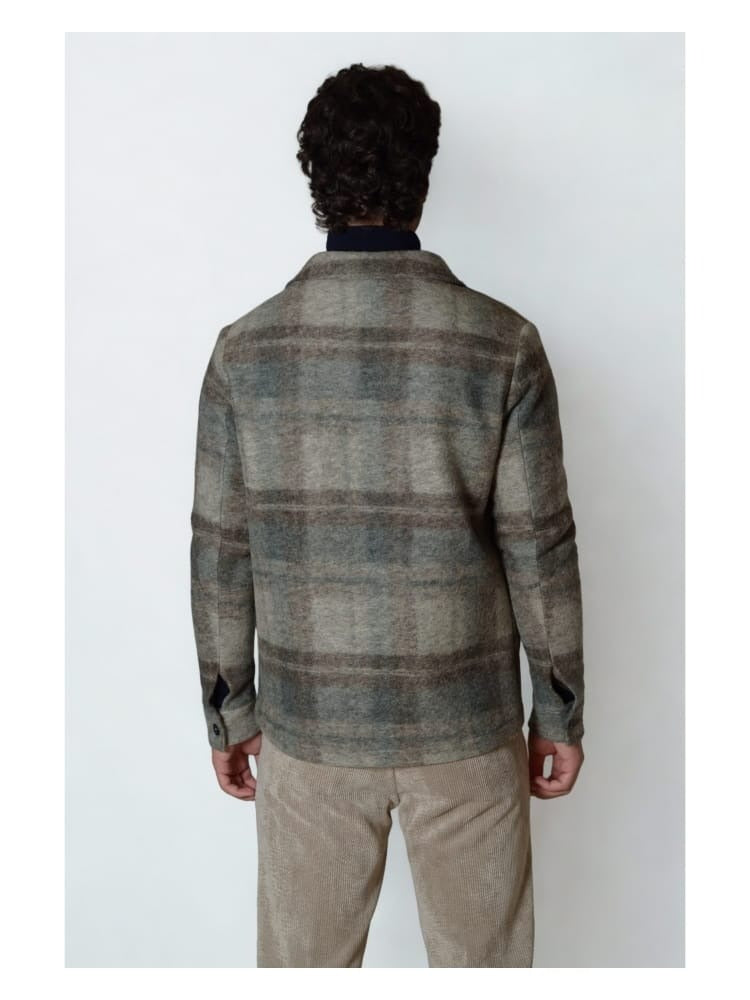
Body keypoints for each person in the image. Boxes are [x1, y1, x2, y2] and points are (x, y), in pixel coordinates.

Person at [190, 62, 585, 969]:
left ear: (315, 178)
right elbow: (543, 552)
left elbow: (220, 555)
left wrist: (229, 710)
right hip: (467, 727)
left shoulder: (246, 352)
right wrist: (559, 713)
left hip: (310, 727)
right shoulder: (501, 344)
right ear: (423, 175)